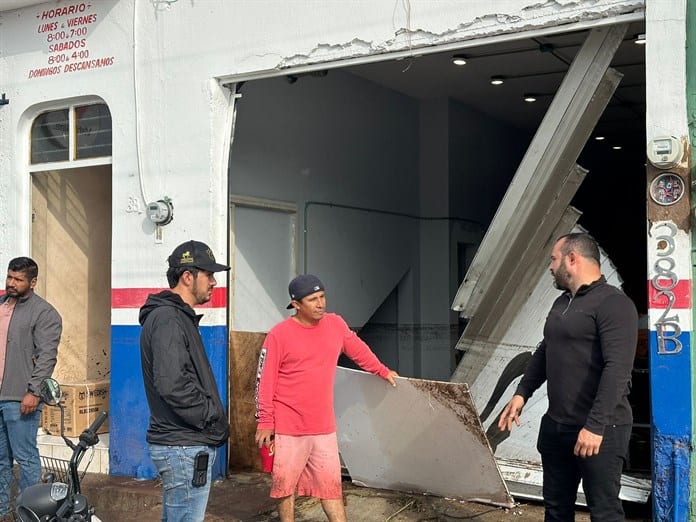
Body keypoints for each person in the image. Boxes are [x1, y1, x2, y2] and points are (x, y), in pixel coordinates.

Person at [498, 233, 638, 521]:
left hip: (601, 430)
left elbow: (617, 370)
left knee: (604, 512)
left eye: (554, 259)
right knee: (557, 509)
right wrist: (521, 393)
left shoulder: (614, 304)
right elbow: (545, 351)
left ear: (572, 259)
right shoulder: (562, 303)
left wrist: (595, 426)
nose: (550, 267)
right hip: (557, 427)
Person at [255, 274, 398, 522]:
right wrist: (265, 420)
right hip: (288, 426)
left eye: (322, 297)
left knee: (330, 486)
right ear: (296, 304)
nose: (320, 303)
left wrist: (382, 370)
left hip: (323, 426)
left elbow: (359, 350)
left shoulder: (336, 325)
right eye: (313, 299)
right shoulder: (279, 335)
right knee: (284, 486)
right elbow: (264, 380)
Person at [140, 240, 230, 522]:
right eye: (209, 274)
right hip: (183, 447)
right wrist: (209, 415)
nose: (214, 282)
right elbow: (172, 383)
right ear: (188, 276)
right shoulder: (168, 318)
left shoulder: (176, 317)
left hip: (182, 445)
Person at [0, 257, 61, 520]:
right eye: (9, 277)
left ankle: (29, 513)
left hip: (20, 397)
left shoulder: (44, 313)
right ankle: (3, 510)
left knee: (25, 458)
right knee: (1, 460)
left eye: (18, 279)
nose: (11, 284)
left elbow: (47, 355)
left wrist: (34, 391)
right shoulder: (1, 305)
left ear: (33, 282)